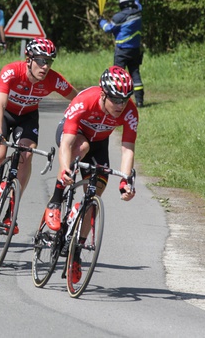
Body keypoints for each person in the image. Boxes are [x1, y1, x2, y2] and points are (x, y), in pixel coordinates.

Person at [0, 38, 78, 233]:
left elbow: (78, 98)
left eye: (49, 61)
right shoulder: (12, 71)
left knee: (26, 155)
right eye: (40, 60)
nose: (45, 66)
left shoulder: (53, 79)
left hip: (27, 117)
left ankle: (11, 212)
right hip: (4, 114)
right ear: (29, 59)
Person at [44, 65, 138, 282]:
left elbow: (127, 148)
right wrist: (67, 170)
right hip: (74, 134)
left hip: (99, 142)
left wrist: (125, 182)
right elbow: (66, 144)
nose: (120, 105)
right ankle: (56, 200)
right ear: (103, 94)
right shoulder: (85, 100)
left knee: (94, 196)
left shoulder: (130, 111)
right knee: (82, 146)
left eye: (125, 99)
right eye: (115, 99)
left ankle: (76, 252)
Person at [98, 0, 145, 107]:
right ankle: (139, 101)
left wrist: (100, 21)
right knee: (135, 74)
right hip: (135, 50)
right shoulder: (138, 12)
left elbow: (108, 29)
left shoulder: (119, 17)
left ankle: (118, 100)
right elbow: (137, 1)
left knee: (118, 76)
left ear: (121, 4)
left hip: (122, 50)